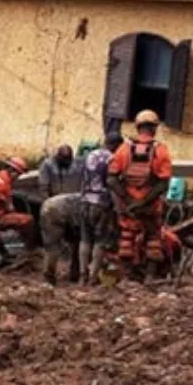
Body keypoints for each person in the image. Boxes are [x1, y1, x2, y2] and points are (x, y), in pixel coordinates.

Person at [108, 110, 173, 280]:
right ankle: (150, 277)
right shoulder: (161, 151)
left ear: (138, 127)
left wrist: (129, 200)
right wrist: (144, 201)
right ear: (154, 129)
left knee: (127, 239)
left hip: (128, 207)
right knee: (153, 240)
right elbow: (163, 183)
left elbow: (112, 179)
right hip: (150, 207)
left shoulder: (123, 149)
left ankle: (128, 278)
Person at [78, 132, 124, 285]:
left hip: (84, 201)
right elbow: (111, 182)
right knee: (100, 241)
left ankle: (82, 275)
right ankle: (93, 277)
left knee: (85, 240)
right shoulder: (112, 159)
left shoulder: (89, 155)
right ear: (116, 145)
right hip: (101, 203)